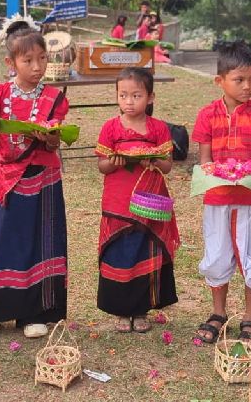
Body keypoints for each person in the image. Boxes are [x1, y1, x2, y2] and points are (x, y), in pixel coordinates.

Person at [0, 14, 69, 341]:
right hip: (9, 180)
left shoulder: (55, 98)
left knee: (42, 242)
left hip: (45, 180)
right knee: (6, 242)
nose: (37, 67)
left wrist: (50, 137)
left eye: (42, 58)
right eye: (28, 60)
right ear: (10, 63)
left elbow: (54, 144)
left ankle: (35, 313)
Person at [191, 43, 251, 346]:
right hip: (218, 199)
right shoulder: (207, 115)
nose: (248, 86)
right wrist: (221, 173)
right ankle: (218, 313)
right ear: (220, 81)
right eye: (239, 80)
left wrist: (246, 174)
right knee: (217, 255)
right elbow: (205, 161)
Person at [94, 67, 178, 333]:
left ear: (150, 97)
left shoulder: (158, 129)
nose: (129, 102)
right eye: (123, 95)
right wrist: (114, 162)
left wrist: (153, 159)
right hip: (118, 203)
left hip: (149, 203)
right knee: (120, 254)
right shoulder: (110, 128)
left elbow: (167, 166)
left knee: (145, 252)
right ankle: (121, 311)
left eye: (136, 95)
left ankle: (141, 311)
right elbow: (102, 166)